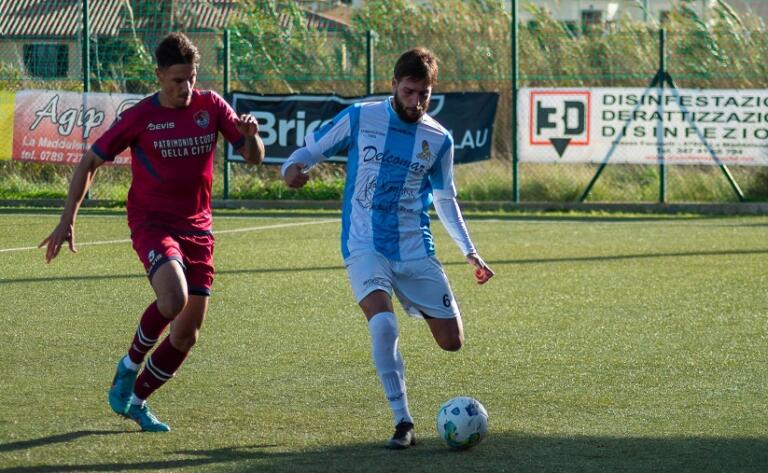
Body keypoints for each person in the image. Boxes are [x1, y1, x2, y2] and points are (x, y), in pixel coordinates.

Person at [39, 32, 265, 432]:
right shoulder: (141, 116)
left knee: (186, 336)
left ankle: (136, 400)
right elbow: (90, 160)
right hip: (153, 223)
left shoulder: (210, 105)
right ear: (159, 75)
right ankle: (128, 366)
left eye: (191, 78)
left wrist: (251, 138)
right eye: (177, 80)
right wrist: (67, 218)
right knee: (173, 296)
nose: (186, 87)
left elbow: (252, 157)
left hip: (199, 230)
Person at [281, 47, 494, 449]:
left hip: (415, 250)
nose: (416, 102)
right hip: (364, 245)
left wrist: (470, 251)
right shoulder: (362, 117)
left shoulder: (439, 139)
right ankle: (403, 422)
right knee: (383, 323)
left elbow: (446, 200)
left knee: (452, 342)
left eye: (424, 94)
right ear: (394, 84)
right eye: (410, 91)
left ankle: (409, 407)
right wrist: (290, 169)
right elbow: (308, 152)